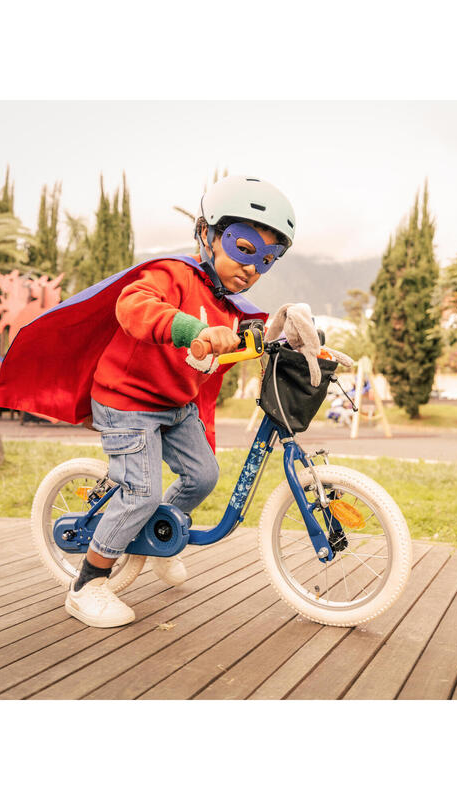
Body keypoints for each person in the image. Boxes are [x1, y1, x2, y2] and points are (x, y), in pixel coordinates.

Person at [65, 175, 296, 628]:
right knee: (142, 491)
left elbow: (233, 348)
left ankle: (157, 533)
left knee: (204, 475)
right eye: (243, 247)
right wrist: (193, 330)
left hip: (176, 405)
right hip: (127, 401)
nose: (252, 267)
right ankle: (88, 583)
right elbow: (133, 306)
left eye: (266, 260)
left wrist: (286, 339)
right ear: (207, 235)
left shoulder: (229, 303)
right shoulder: (171, 275)